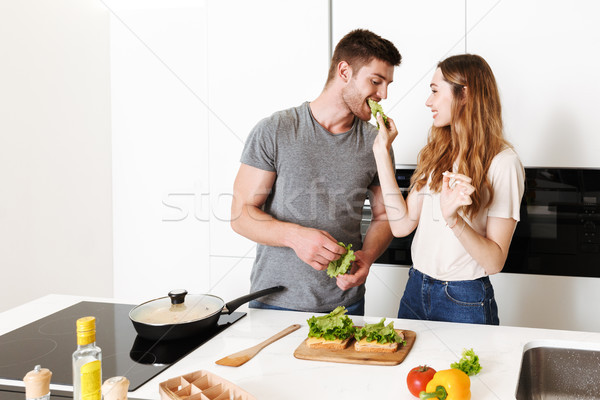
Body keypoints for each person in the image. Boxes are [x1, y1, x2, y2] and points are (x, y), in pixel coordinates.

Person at [230, 29, 401, 315]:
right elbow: (241, 213)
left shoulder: (377, 143)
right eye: (376, 81)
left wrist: (367, 258)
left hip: (347, 304)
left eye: (387, 85)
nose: (383, 95)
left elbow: (384, 216)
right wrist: (295, 237)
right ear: (345, 71)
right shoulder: (276, 130)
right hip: (275, 303)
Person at [372, 54, 525, 324]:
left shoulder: (504, 163)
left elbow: (494, 262)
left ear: (464, 94)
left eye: (434, 91)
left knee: (466, 369)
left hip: (464, 298)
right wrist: (382, 152)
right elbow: (402, 225)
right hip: (415, 289)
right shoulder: (437, 152)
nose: (428, 101)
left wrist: (453, 219)